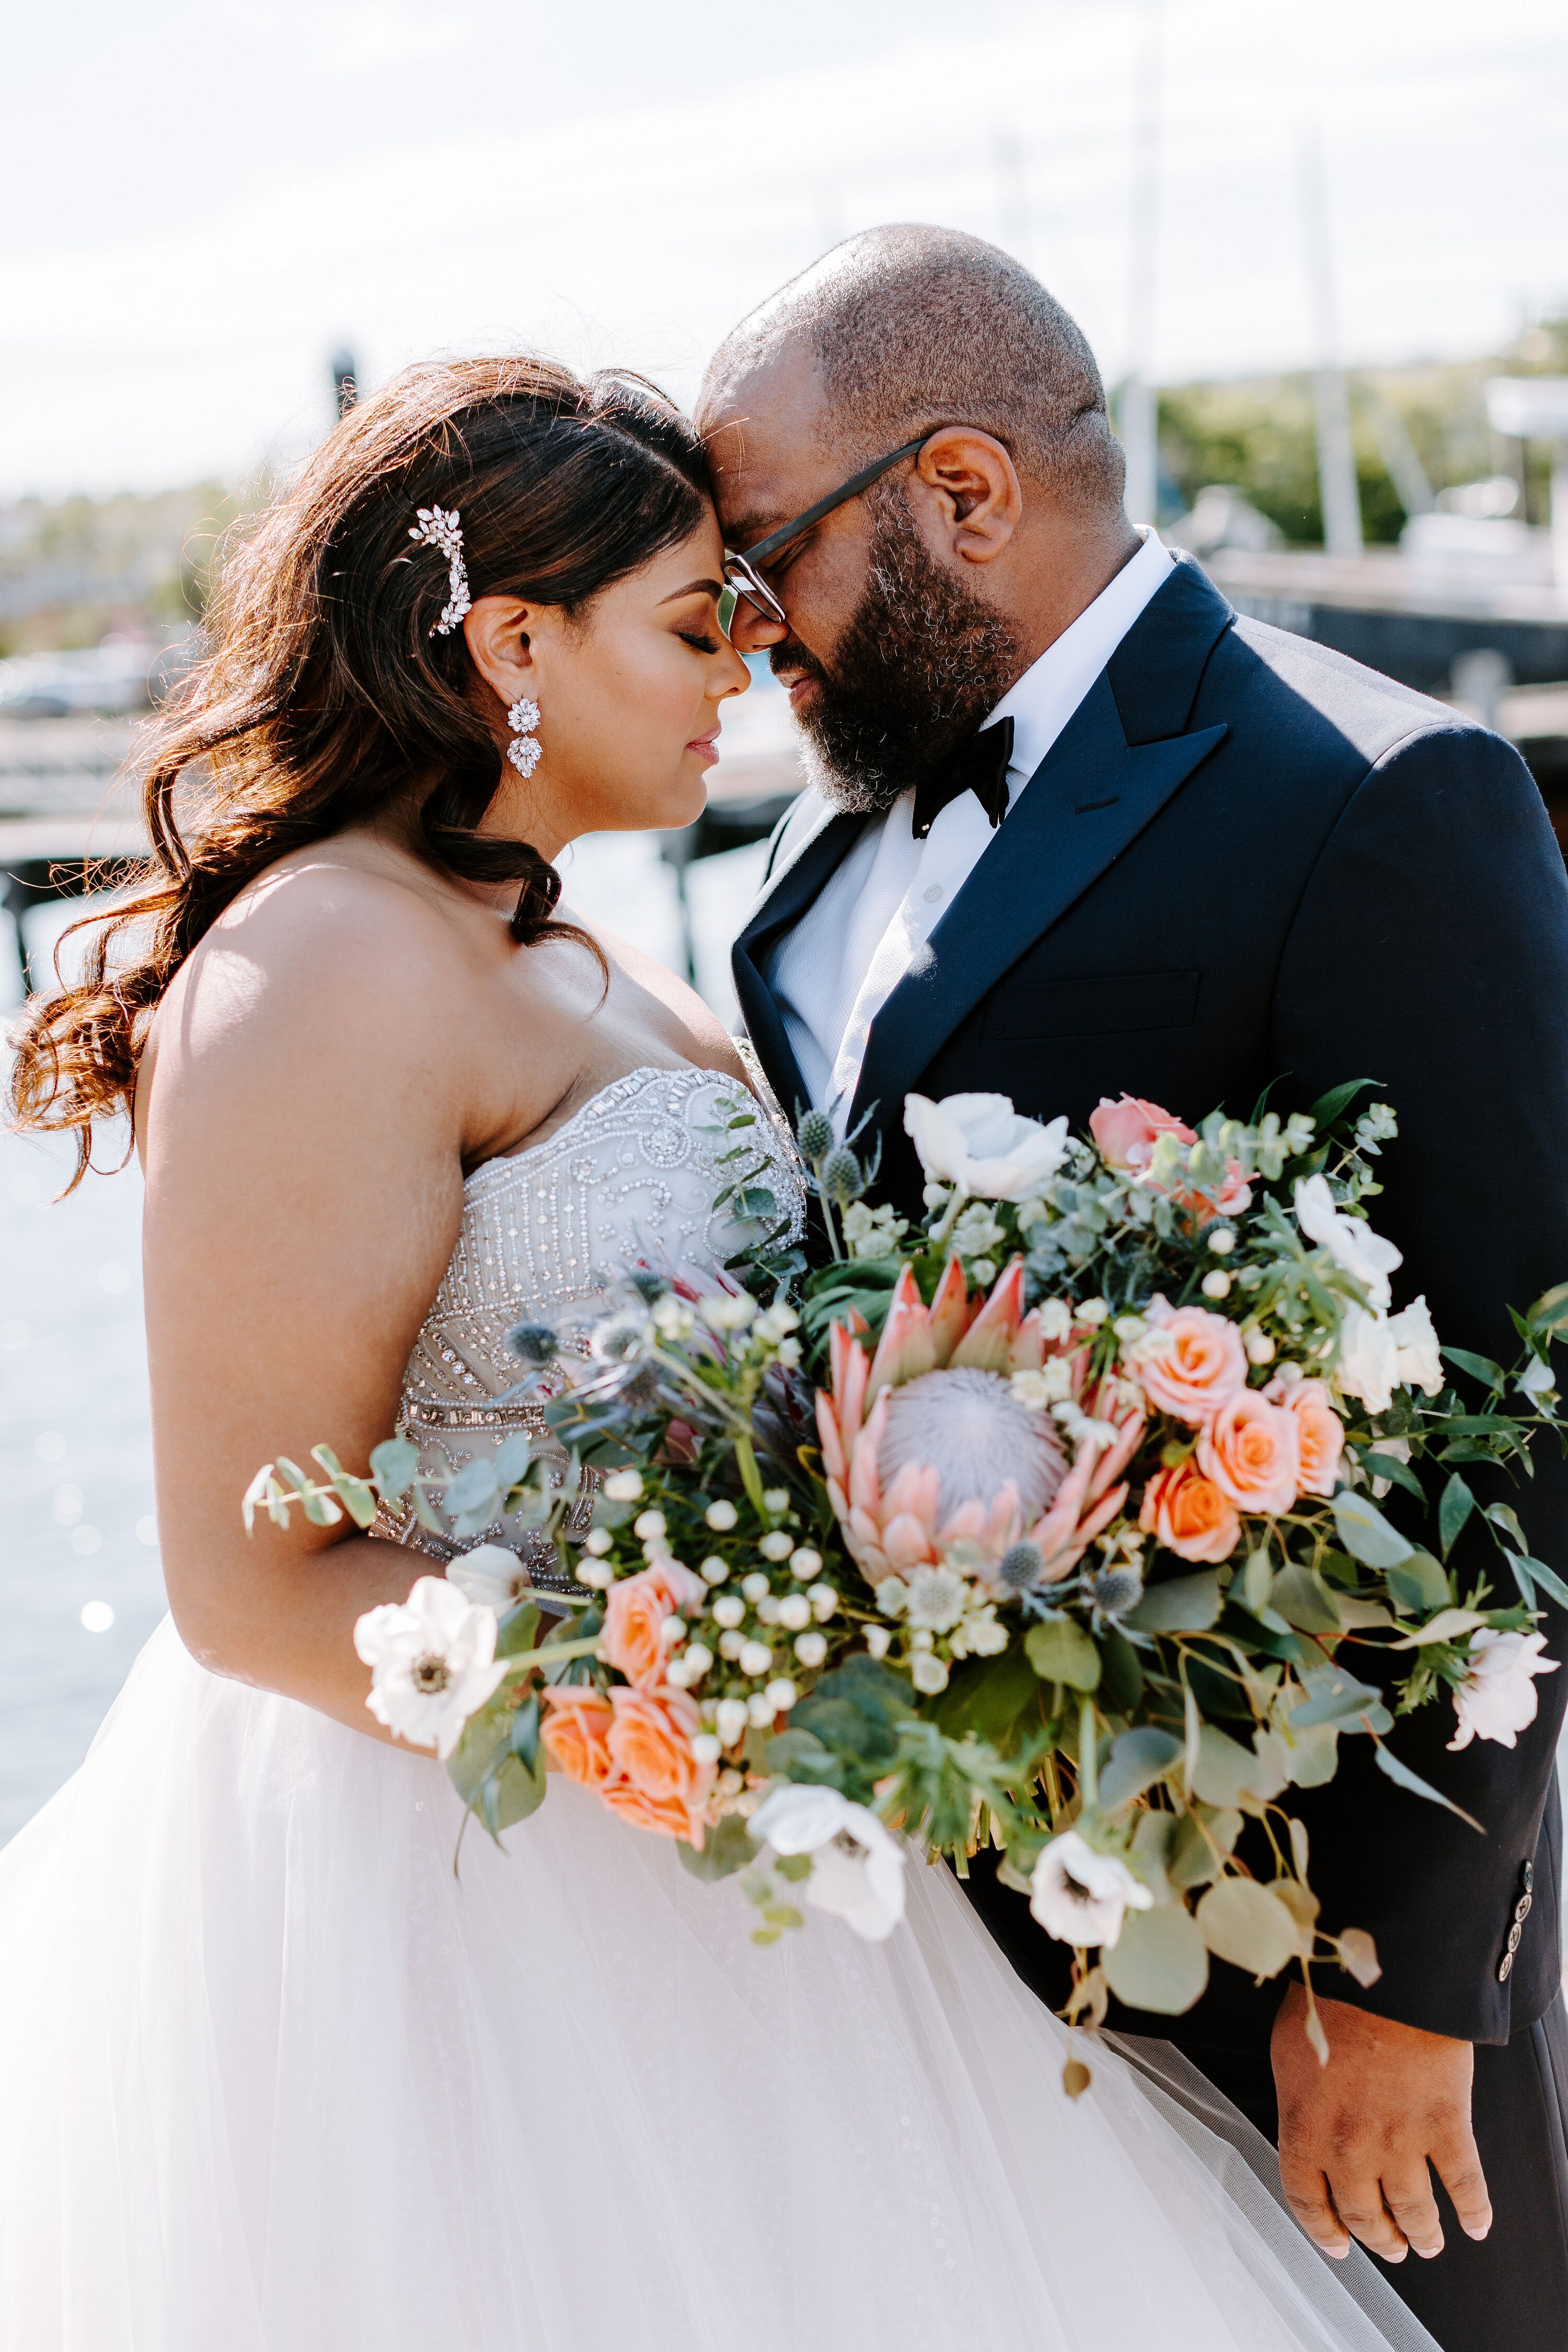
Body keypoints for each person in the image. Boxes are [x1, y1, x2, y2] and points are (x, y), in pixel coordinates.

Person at [0, 354, 1435, 2352]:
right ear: (512, 640)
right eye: (694, 628)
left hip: (756, 1855)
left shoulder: (595, 952)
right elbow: (248, 1581)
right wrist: (699, 1698)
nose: (745, 680)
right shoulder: (317, 964)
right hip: (467, 1891)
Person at [703, 223, 1568, 2352]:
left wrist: (1397, 1973)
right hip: (938, 1957)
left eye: (761, 570)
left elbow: (1517, 1406)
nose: (745, 644)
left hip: (1294, 1955)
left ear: (964, 495)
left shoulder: (1368, 795)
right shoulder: (811, 875)